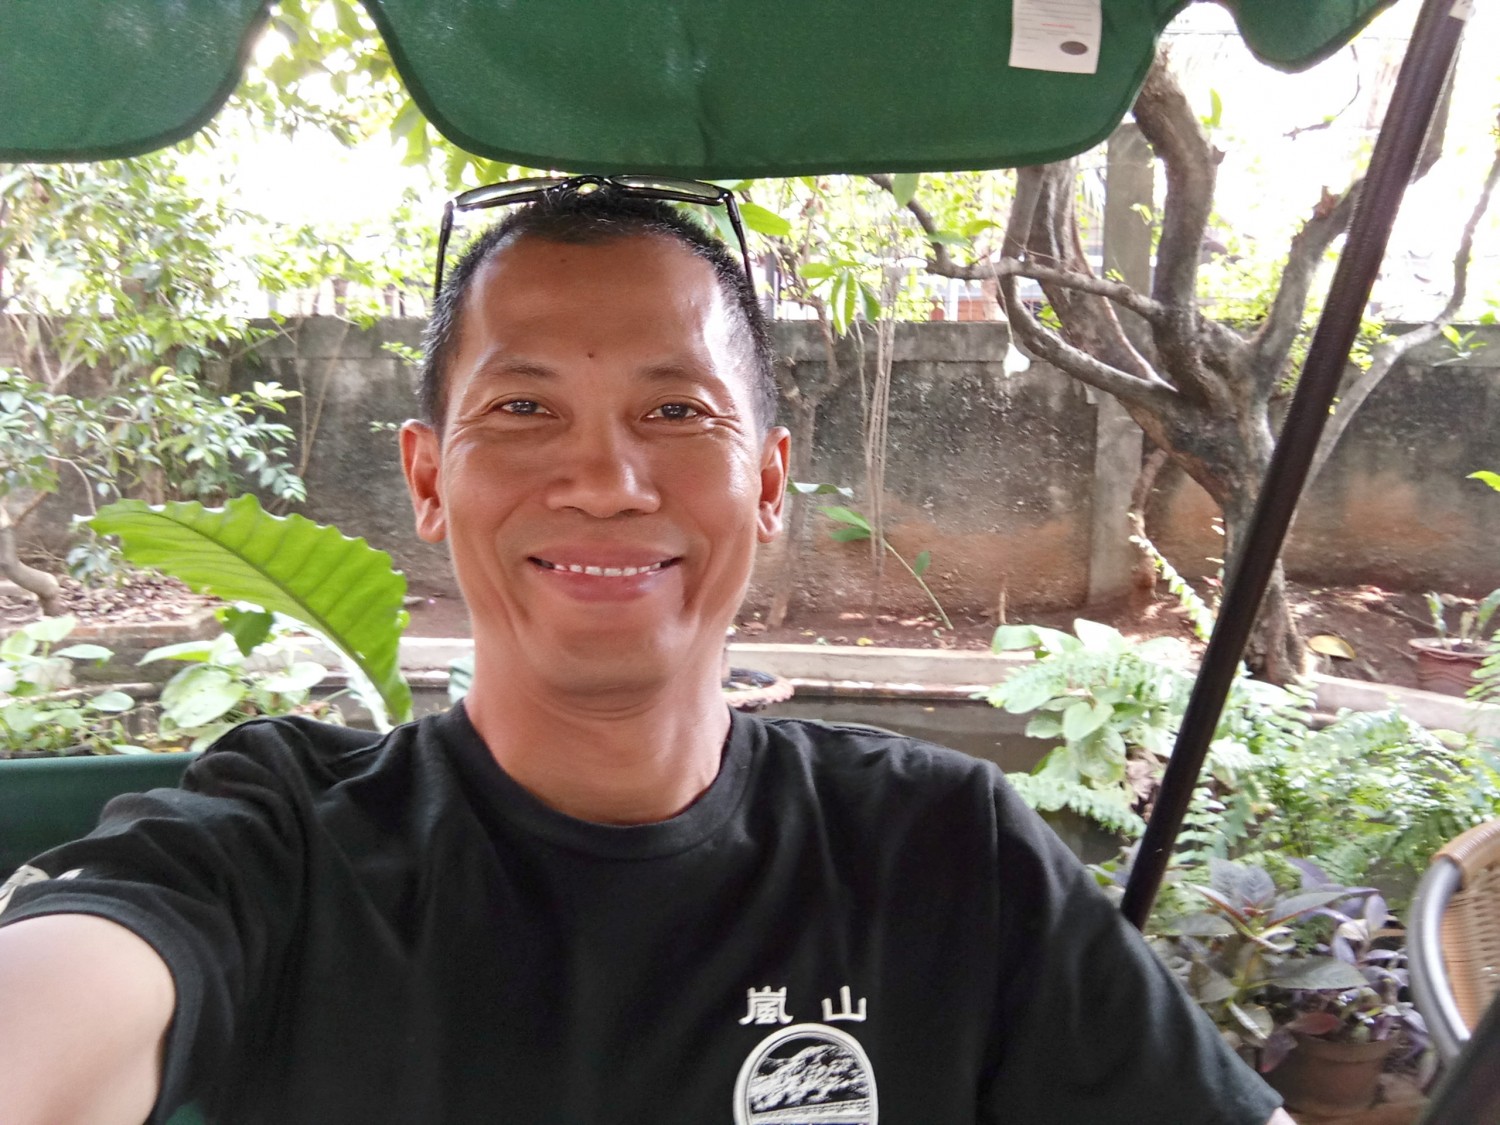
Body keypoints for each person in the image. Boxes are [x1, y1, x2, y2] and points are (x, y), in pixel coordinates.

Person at [0, 180, 1293, 1125]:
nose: (605, 480)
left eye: (676, 409)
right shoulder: (279, 846)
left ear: (768, 481)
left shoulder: (945, 853)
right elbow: (65, 997)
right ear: (429, 477)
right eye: (523, 407)